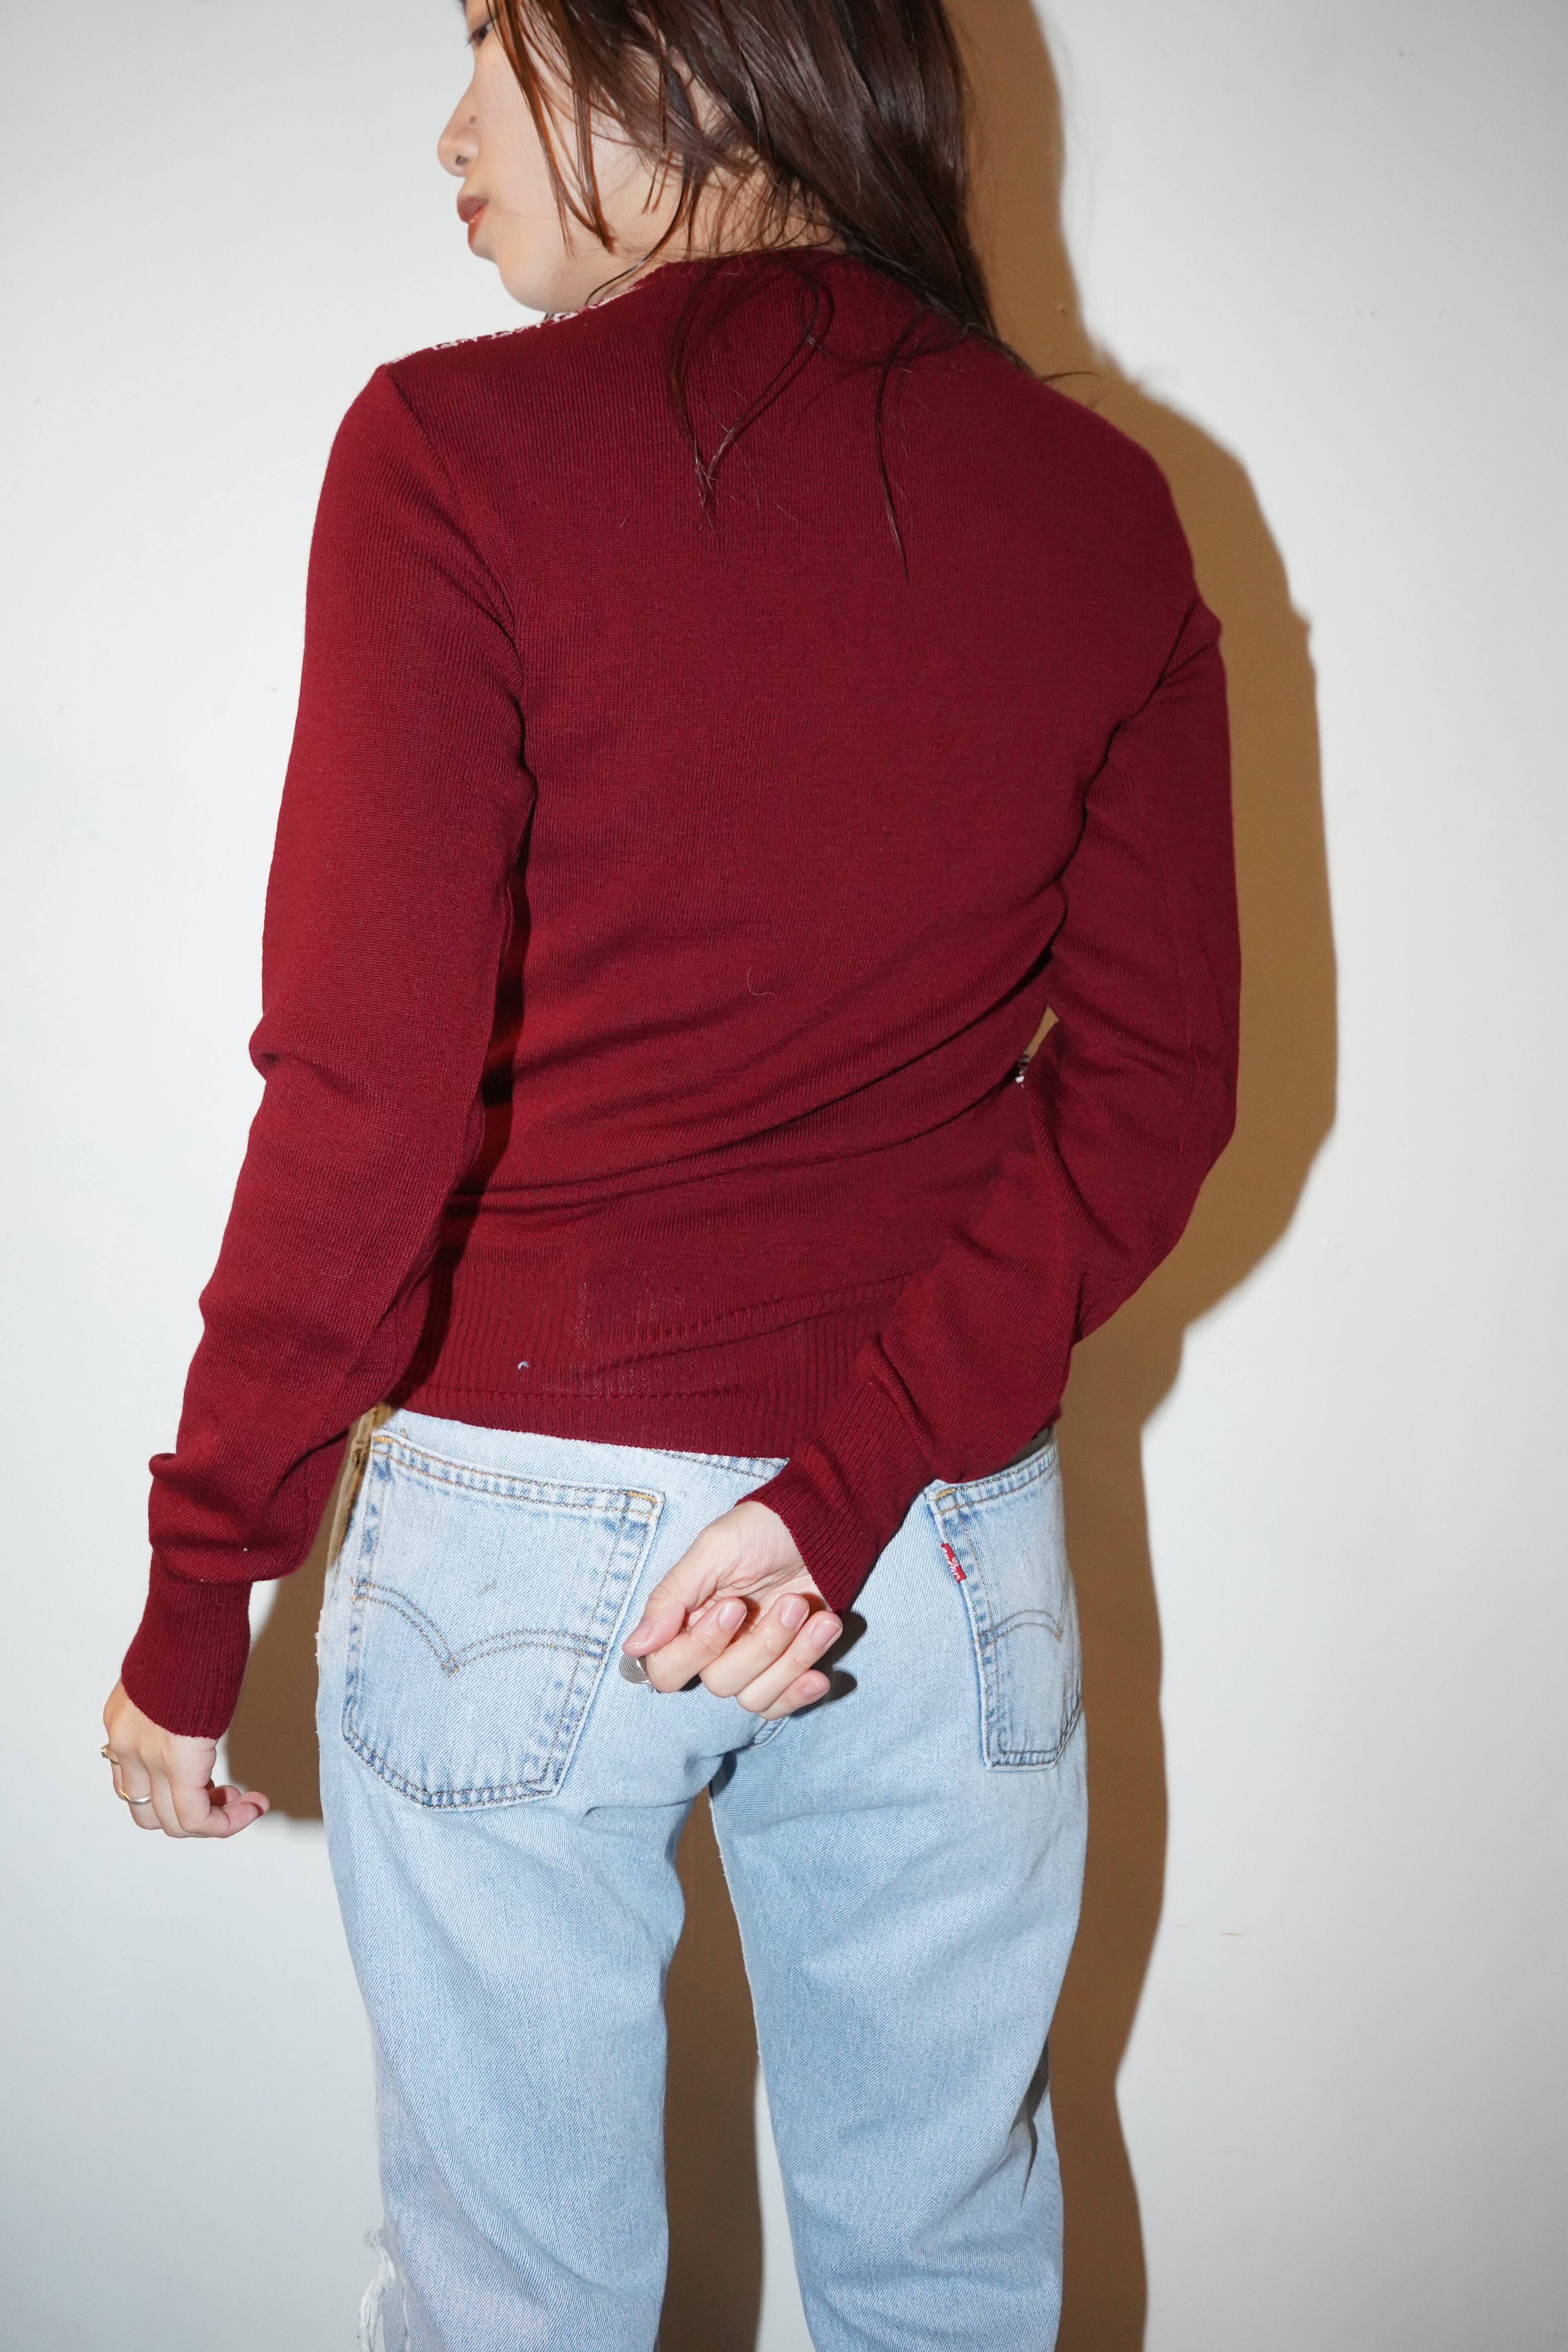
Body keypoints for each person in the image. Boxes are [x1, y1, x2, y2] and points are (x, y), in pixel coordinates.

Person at [101, 0, 1240, 2341]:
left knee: (517, 2302)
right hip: (933, 1548)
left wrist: (206, 1579)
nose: (449, 128)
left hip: (529, 1542)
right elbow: (1154, 1094)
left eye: (496, 43)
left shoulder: (452, 453)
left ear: (688, 60)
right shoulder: (1098, 505)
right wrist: (851, 1481)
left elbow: (366, 1087)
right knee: (948, 2274)